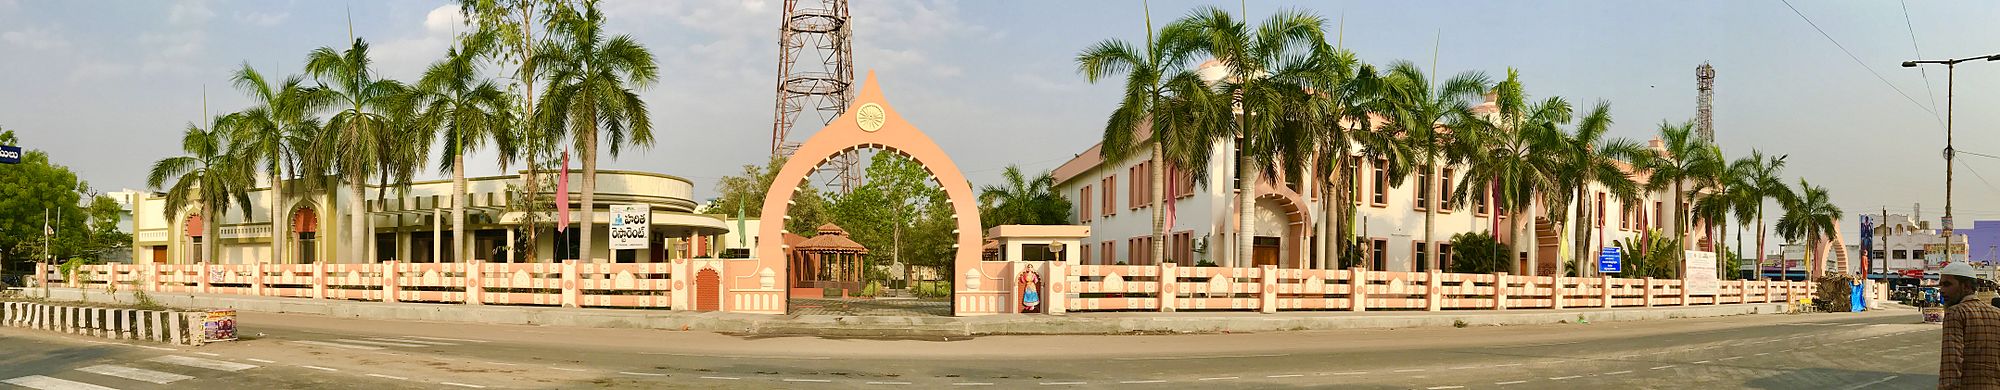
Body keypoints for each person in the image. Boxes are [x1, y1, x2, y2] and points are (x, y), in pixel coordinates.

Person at [1938, 261, 2000, 389]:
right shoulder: (1997, 313)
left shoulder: (1956, 312)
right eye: (1941, 285)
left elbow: (1951, 362)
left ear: (1966, 286)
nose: (1942, 290)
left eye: (1947, 284)